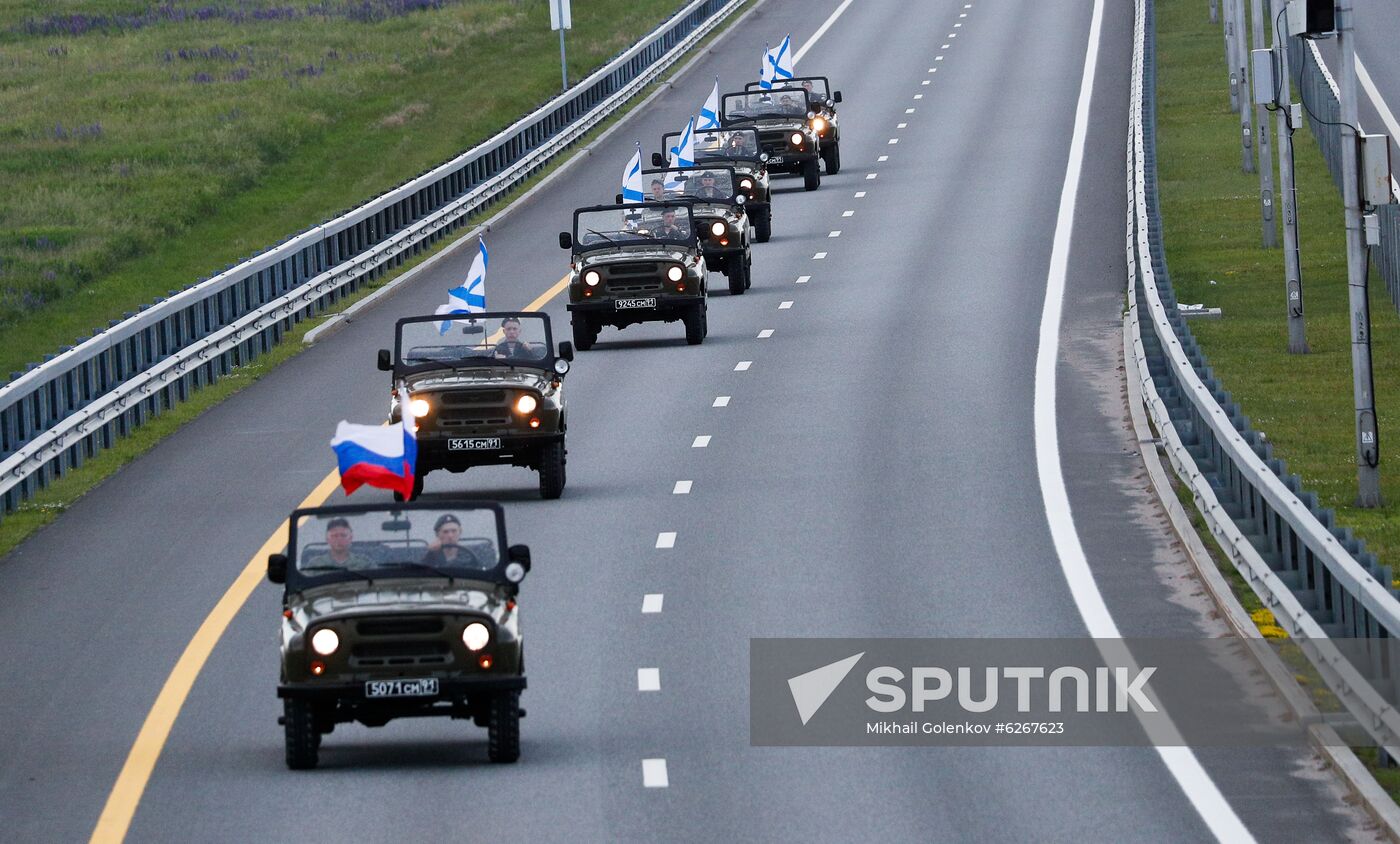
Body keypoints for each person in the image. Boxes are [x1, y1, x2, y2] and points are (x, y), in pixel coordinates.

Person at [303, 518, 375, 569]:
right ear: (327, 539)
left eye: (343, 535)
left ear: (350, 538)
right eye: (334, 536)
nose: (339, 539)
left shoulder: (364, 563)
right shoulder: (316, 565)